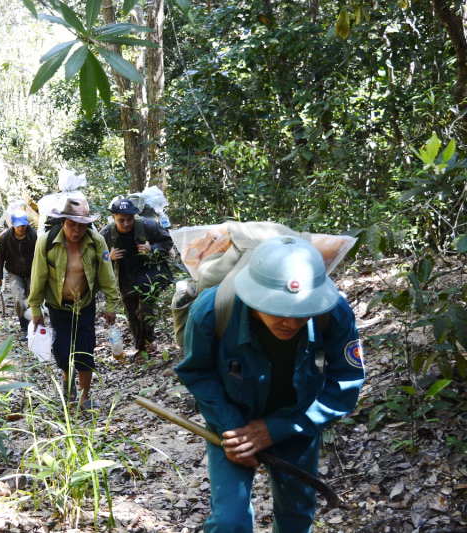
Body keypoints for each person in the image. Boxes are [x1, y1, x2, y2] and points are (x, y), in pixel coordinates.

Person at [175, 236, 365, 533]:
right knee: (229, 522)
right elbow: (198, 372)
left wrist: (278, 428)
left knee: (296, 516)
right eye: (279, 310)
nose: (292, 322)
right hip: (233, 421)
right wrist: (232, 430)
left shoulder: (333, 312)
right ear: (254, 297)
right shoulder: (213, 310)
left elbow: (345, 382)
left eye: (303, 313)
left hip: (298, 421)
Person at [28, 198, 120, 409]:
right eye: (72, 225)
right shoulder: (46, 242)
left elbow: (107, 275)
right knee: (62, 350)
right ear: (63, 223)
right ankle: (68, 384)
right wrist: (35, 309)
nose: (77, 231)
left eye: (81, 226)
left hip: (85, 306)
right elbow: (38, 277)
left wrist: (111, 305)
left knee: (85, 350)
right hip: (58, 307)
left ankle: (85, 396)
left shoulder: (96, 242)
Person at [100, 198, 173, 355]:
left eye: (129, 219)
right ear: (113, 218)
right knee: (132, 315)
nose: (126, 224)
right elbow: (96, 258)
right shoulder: (106, 234)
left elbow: (167, 242)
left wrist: (152, 248)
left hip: (149, 277)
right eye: (121, 220)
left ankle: (150, 342)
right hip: (126, 278)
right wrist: (109, 257)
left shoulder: (148, 225)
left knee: (146, 311)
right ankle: (140, 347)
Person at [0, 209, 37, 339]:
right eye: (18, 225)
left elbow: (39, 256)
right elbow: (0, 257)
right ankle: (24, 326)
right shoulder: (5, 237)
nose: (21, 228)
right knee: (18, 299)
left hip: (31, 272)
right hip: (14, 272)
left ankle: (33, 326)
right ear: (12, 223)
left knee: (33, 299)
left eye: (23, 225)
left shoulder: (33, 235)